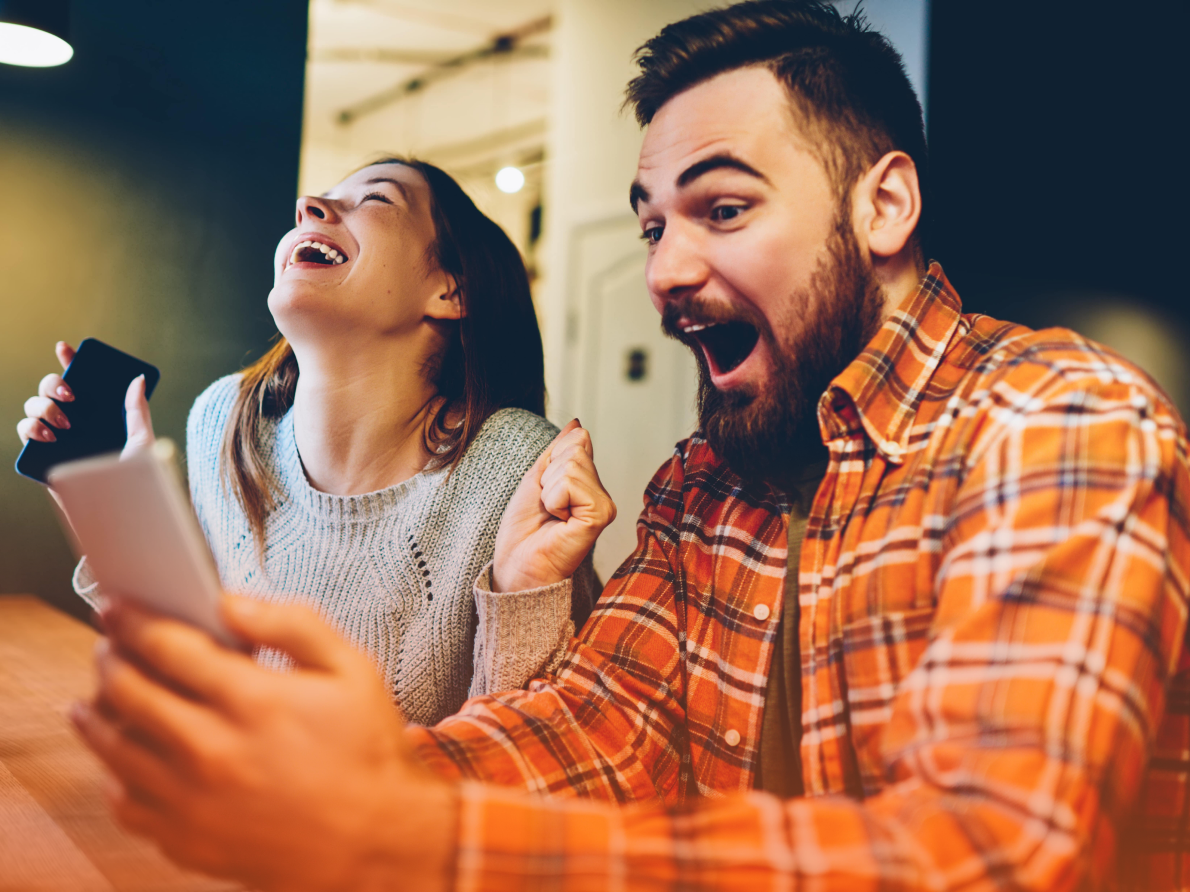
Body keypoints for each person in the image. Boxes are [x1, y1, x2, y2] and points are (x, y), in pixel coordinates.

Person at [71, 3, 1190, 890]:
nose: (659, 270)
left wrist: (399, 835)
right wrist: (338, 781)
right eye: (653, 224)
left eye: (721, 208)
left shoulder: (1055, 420)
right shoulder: (706, 487)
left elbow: (992, 855)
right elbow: (595, 728)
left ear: (882, 204)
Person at [19, 157, 600, 726]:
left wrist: (527, 597)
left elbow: (525, 749)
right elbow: (193, 684)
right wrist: (117, 521)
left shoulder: (517, 468)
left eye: (375, 198)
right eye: (316, 201)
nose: (308, 207)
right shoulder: (225, 421)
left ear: (450, 291)